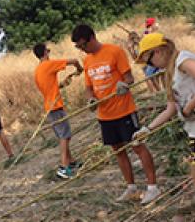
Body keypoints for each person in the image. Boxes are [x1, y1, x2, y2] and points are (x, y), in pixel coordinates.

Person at [71, 24, 160, 204]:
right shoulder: (88, 61)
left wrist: (123, 85)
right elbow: (88, 88)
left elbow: (129, 78)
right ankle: (131, 188)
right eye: (78, 47)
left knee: (137, 145)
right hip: (105, 115)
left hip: (124, 110)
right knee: (118, 151)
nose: (82, 49)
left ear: (92, 38)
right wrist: (90, 100)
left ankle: (153, 187)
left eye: (83, 45)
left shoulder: (115, 51)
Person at [133, 33, 195, 220]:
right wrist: (147, 129)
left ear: (158, 51)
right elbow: (170, 109)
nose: (151, 67)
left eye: (149, 62)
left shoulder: (182, 60)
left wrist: (189, 107)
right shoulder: (169, 74)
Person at [33, 43, 83, 179]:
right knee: (64, 137)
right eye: (48, 50)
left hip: (49, 107)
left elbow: (49, 88)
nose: (49, 53)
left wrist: (61, 85)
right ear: (44, 53)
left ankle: (71, 162)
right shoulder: (48, 65)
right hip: (55, 107)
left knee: (64, 135)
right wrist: (80, 69)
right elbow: (74, 61)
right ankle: (63, 167)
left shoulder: (38, 71)